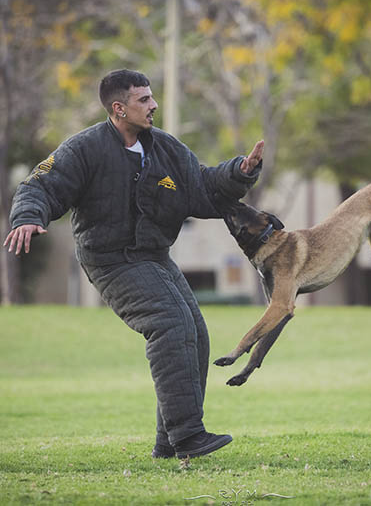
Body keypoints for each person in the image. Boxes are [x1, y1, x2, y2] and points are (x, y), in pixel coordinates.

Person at [4, 69, 263, 459]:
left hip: (153, 256)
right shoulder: (83, 149)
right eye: (144, 100)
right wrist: (28, 216)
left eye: (152, 97)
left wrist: (239, 172)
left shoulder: (166, 149)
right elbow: (39, 184)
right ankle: (188, 436)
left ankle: (168, 444)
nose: (153, 105)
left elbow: (204, 187)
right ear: (119, 108)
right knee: (171, 324)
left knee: (195, 333)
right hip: (109, 260)